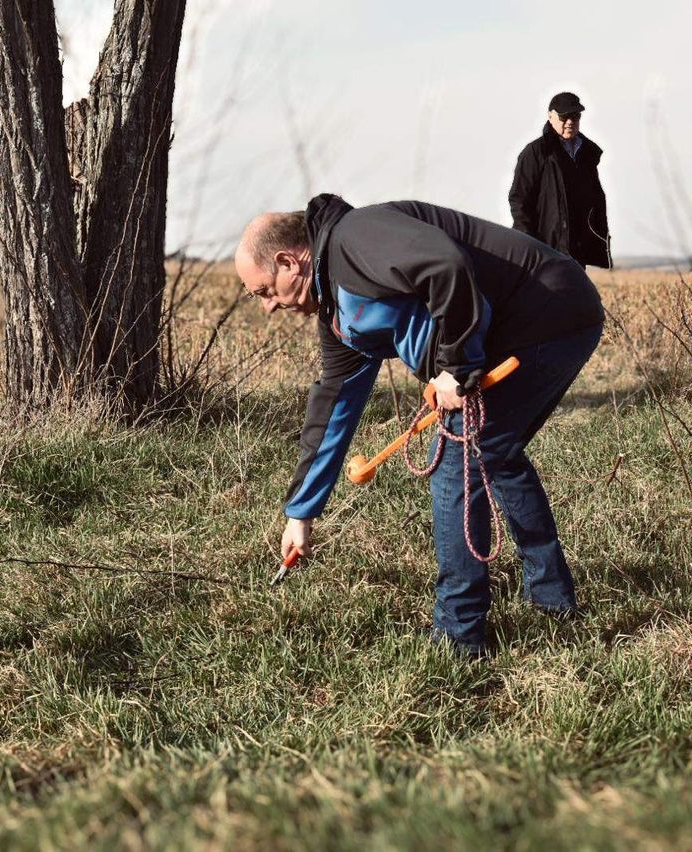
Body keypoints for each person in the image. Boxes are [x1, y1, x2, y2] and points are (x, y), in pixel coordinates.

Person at [235, 195, 604, 657]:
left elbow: (443, 265)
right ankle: (554, 604)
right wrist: (300, 513)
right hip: (541, 321)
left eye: (264, 291)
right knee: (495, 456)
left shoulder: (355, 238)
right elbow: (333, 407)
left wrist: (459, 365)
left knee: (458, 466)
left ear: (289, 261)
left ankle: (458, 637)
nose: (268, 307)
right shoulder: (339, 315)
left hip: (548, 311)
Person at [509, 92, 612, 269]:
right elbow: (519, 200)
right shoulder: (535, 152)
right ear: (550, 116)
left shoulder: (587, 154)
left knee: (574, 295)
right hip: (545, 249)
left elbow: (594, 199)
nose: (570, 121)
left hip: (577, 250)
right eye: (564, 116)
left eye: (576, 116)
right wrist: (528, 245)